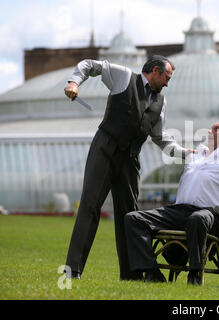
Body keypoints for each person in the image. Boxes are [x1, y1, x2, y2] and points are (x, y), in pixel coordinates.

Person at [63, 55, 194, 280]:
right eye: (166, 77)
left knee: (130, 217)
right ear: (155, 70)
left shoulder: (161, 103)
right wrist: (74, 82)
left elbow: (161, 139)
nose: (167, 83)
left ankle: (132, 275)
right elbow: (89, 65)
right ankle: (72, 270)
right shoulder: (123, 76)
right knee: (90, 207)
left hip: (130, 159)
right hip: (105, 149)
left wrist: (186, 154)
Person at [123, 121, 219, 285]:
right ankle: (152, 272)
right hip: (178, 211)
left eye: (216, 129)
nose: (210, 131)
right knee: (133, 218)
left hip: (207, 214)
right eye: (210, 128)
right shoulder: (194, 157)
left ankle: (195, 274)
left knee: (197, 218)